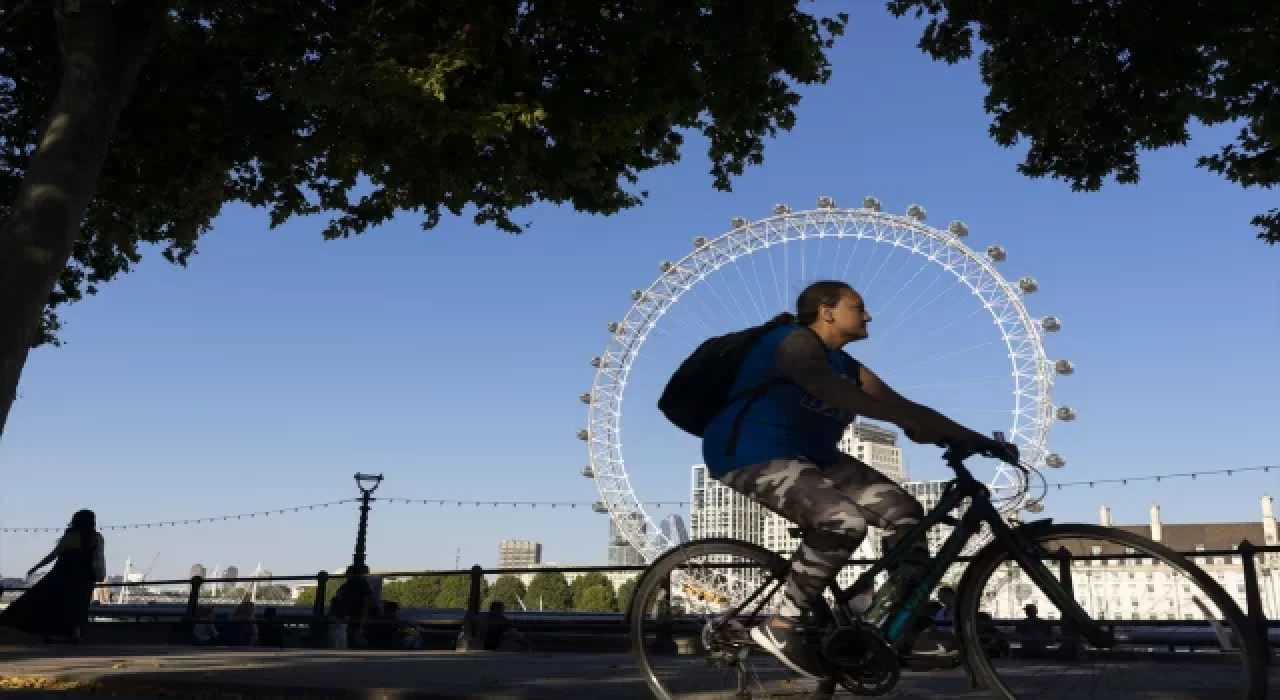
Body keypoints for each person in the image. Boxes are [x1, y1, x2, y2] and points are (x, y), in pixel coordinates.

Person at [701, 280, 1012, 680]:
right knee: (842, 521)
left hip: (815, 456)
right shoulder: (792, 342)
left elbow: (903, 405)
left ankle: (900, 621)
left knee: (907, 515)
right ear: (826, 312)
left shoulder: (846, 366)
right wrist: (906, 421)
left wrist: (976, 439)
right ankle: (782, 626)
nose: (867, 315)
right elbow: (822, 387)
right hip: (751, 452)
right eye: (858, 306)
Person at [0, 509, 106, 643]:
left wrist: (36, 567)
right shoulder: (96, 538)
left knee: (49, 603)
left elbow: (53, 555)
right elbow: (99, 558)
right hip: (85, 577)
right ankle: (75, 634)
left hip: (62, 575)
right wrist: (100, 575)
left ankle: (47, 633)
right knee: (79, 606)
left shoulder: (70, 537)